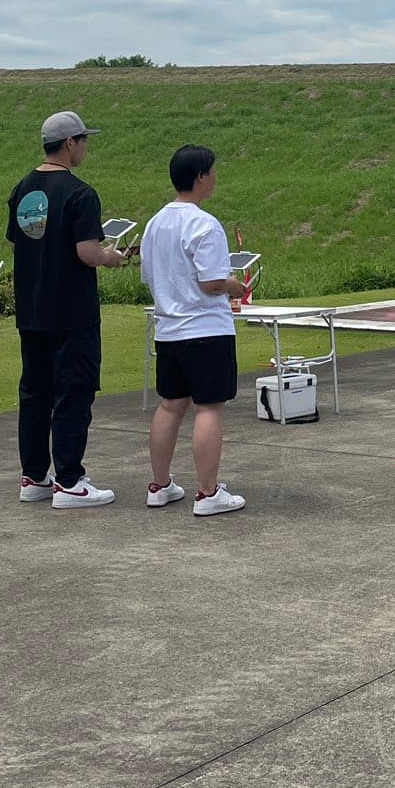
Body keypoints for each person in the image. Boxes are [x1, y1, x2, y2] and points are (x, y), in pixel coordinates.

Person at [7, 110, 128, 508]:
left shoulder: (22, 190)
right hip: (72, 311)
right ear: (71, 143)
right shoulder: (80, 194)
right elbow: (87, 252)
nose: (86, 147)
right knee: (74, 392)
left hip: (32, 309)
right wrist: (112, 256)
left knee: (35, 393)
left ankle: (34, 476)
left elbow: (18, 244)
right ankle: (70, 480)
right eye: (84, 140)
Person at [139, 145, 251, 517]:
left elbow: (148, 275)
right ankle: (207, 492)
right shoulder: (204, 223)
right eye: (213, 172)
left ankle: (159, 484)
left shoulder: (155, 222)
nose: (215, 177)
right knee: (209, 408)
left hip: (168, 329)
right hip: (205, 328)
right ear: (201, 176)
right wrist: (235, 286)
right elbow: (212, 282)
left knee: (170, 405)